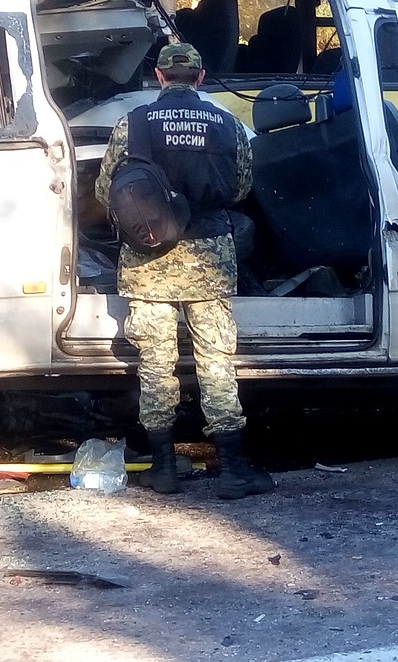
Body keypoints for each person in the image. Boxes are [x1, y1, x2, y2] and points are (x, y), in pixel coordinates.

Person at [95, 42, 275, 500]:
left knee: (156, 365)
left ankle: (164, 469)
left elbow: (105, 190)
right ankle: (233, 470)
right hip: (208, 257)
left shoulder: (132, 124)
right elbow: (239, 189)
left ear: (158, 77)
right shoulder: (227, 124)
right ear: (199, 77)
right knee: (216, 361)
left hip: (148, 259)